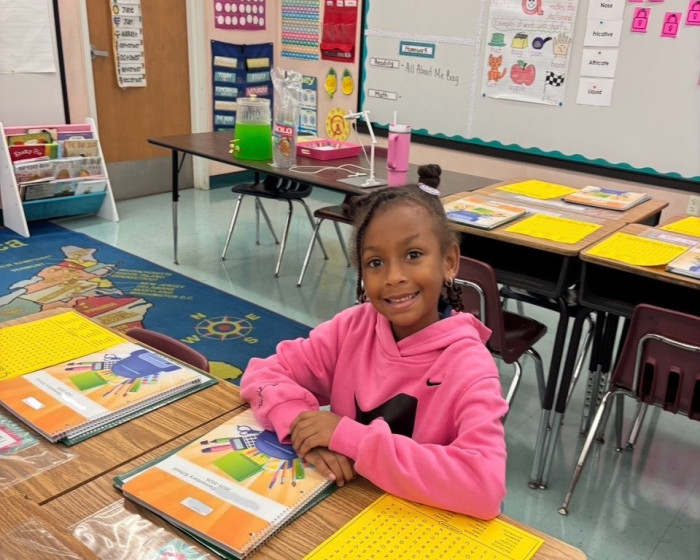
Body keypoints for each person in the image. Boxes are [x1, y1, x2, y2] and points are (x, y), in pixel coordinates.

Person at [240, 183, 507, 520]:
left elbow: (484, 486)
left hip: (416, 524)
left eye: (413, 255)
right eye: (375, 262)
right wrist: (302, 427)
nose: (393, 277)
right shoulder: (352, 328)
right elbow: (263, 372)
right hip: (341, 510)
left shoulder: (469, 366)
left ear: (449, 261)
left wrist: (351, 438)